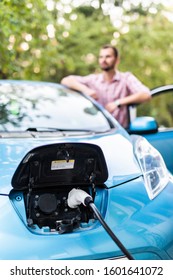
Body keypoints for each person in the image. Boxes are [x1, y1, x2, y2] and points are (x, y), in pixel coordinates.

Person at [60, 44, 151, 128]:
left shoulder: (126, 78)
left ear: (117, 60)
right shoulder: (93, 80)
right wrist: (86, 90)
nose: (103, 60)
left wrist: (117, 103)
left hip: (120, 133)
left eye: (108, 56)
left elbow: (146, 94)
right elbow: (66, 80)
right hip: (97, 131)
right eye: (101, 57)